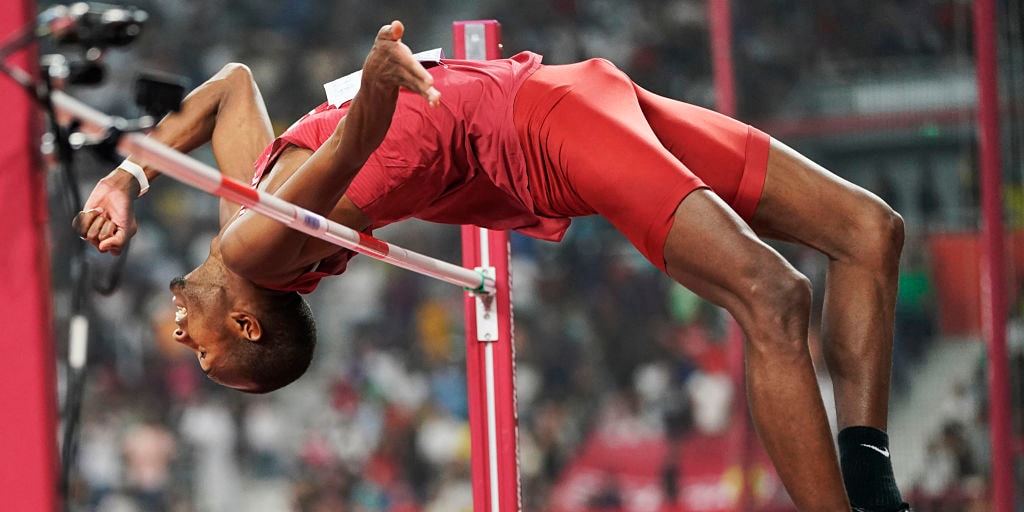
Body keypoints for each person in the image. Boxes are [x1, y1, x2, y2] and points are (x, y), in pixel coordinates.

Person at [73, 20, 909, 512]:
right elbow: (354, 150)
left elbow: (230, 87)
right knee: (774, 293)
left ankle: (871, 481)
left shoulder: (243, 216)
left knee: (870, 231)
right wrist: (372, 84)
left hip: (559, 92)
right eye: (204, 349)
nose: (180, 332)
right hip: (541, 130)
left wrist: (126, 174)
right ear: (249, 322)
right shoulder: (260, 245)